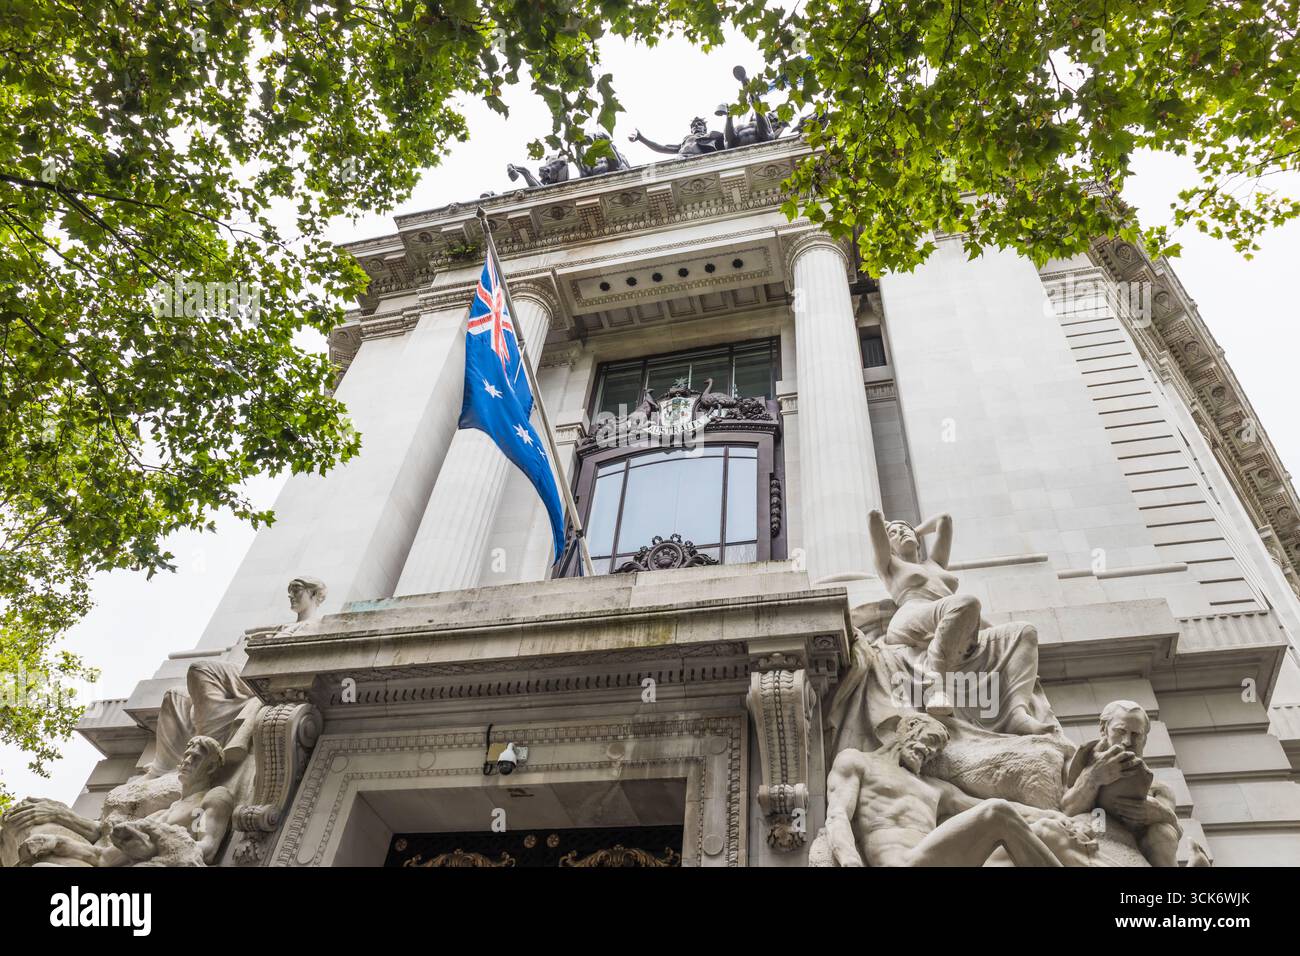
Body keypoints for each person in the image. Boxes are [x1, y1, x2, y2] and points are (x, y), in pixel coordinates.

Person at [867, 509, 1055, 735]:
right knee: (966, 603)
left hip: (952, 616)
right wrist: (891, 529)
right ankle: (937, 688)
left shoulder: (935, 563)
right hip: (913, 616)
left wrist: (912, 531)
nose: (901, 533)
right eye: (894, 533)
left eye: (904, 529)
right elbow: (873, 517)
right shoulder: (889, 566)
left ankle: (1017, 714)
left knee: (1024, 632)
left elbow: (944, 520)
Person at [822, 713, 1070, 866]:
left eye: (937, 750)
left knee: (1044, 831)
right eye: (930, 741)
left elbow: (1009, 811)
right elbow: (837, 814)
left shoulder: (936, 789)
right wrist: (850, 861)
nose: (931, 751)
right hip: (901, 862)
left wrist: (1052, 816)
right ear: (910, 728)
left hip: (938, 860)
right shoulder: (858, 761)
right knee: (997, 813)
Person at [1061, 700, 1182, 867]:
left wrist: (1161, 813)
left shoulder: (1159, 789)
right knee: (1096, 820)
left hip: (1140, 846)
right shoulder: (1081, 766)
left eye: (1136, 734)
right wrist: (1093, 778)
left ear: (1144, 740)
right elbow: (1067, 809)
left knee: (1163, 833)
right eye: (1120, 731)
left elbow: (1174, 830)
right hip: (1098, 834)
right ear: (1103, 729)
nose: (1127, 741)